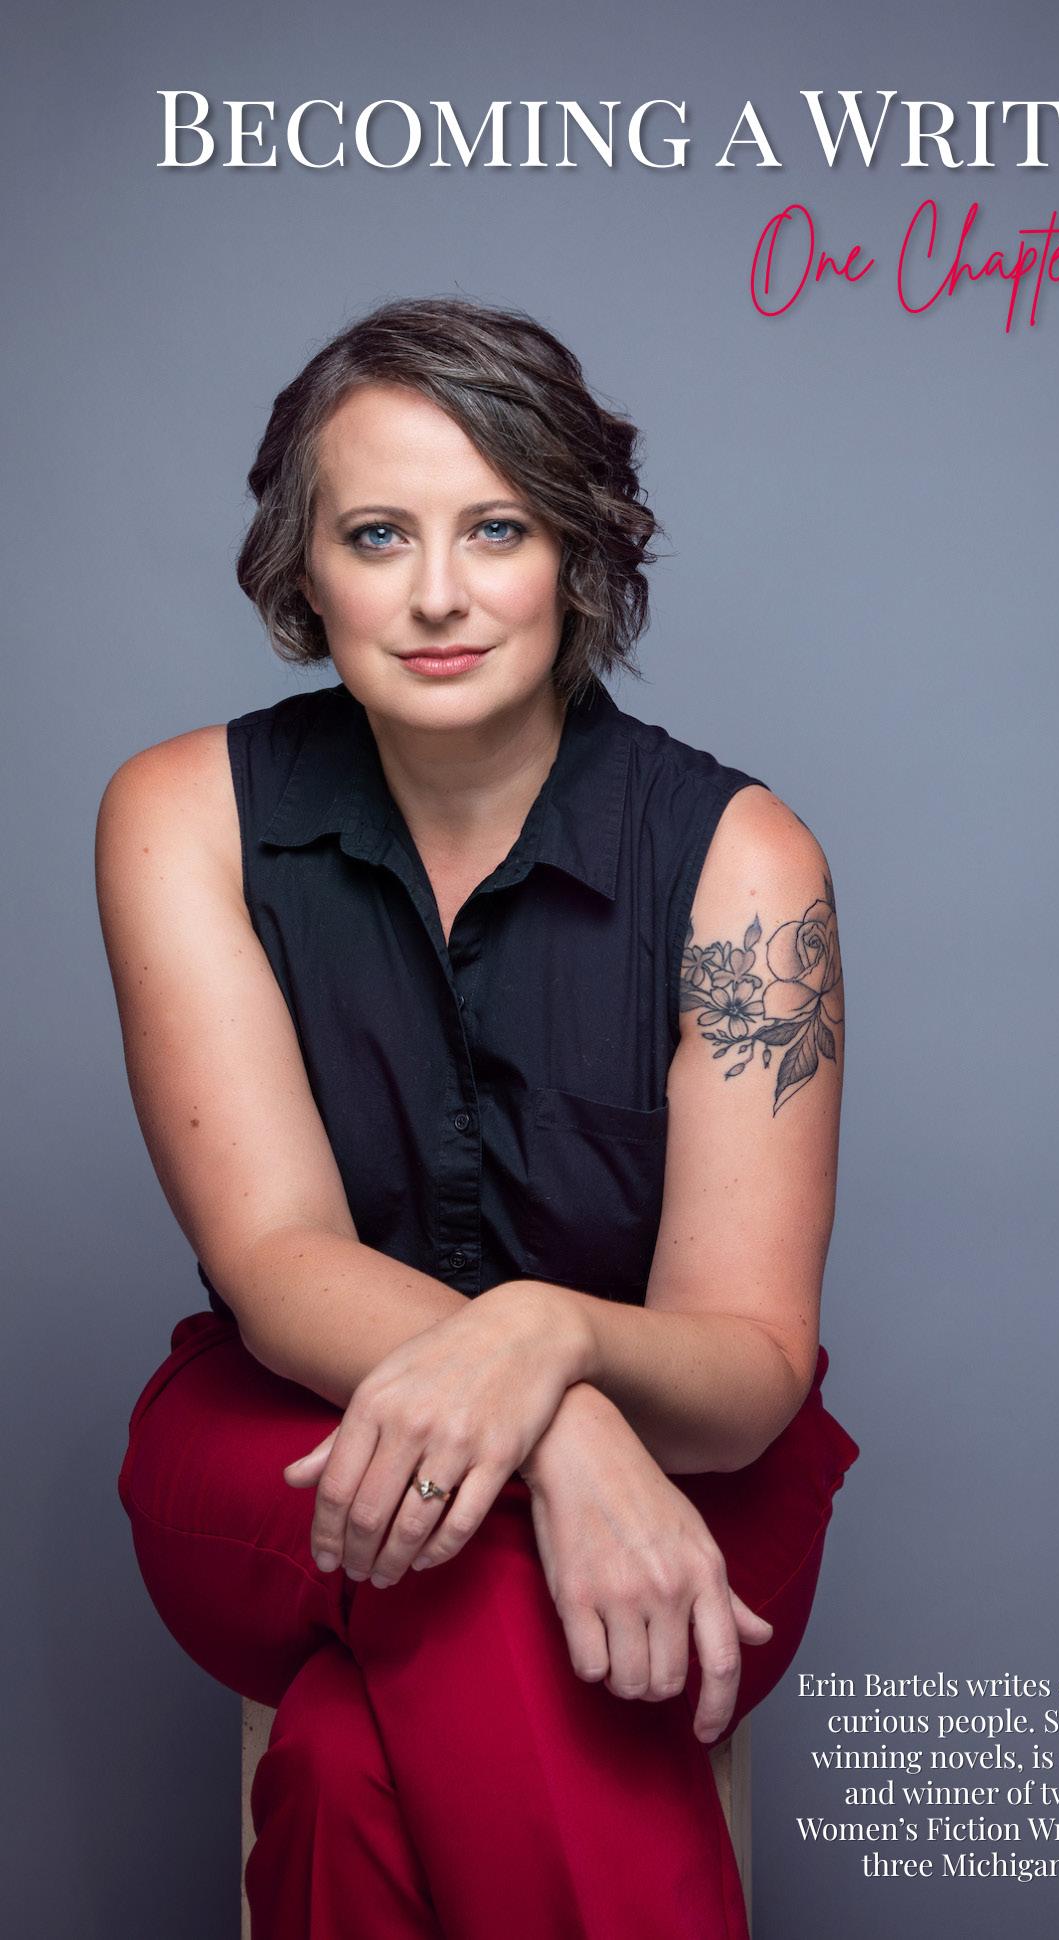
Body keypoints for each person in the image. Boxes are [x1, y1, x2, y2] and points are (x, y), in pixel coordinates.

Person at [96, 295, 860, 1940]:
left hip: (685, 1497)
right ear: (305, 569)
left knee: (346, 1764)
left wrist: (544, 1337)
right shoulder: (184, 815)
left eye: (496, 528)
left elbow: (746, 1372)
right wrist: (556, 1421)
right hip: (297, 1453)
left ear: (576, 554)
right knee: (497, 1576)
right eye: (377, 534)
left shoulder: (741, 864)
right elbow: (278, 1257)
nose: (437, 591)